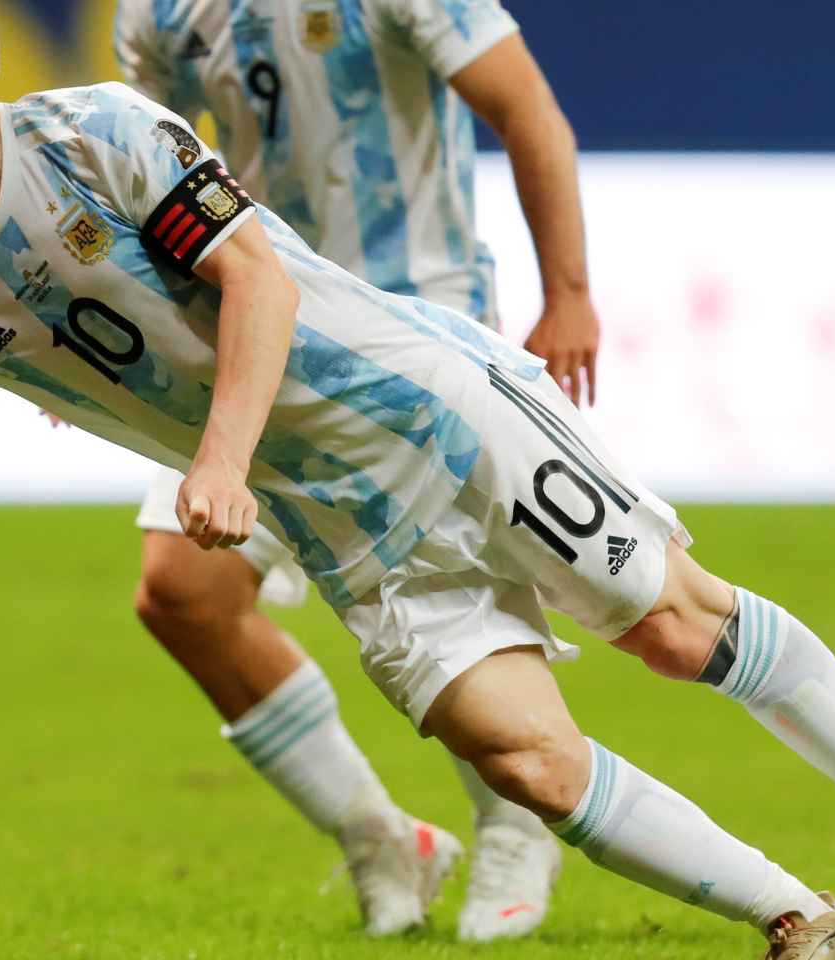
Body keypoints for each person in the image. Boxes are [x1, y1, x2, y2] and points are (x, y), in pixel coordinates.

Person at [0, 3, 835, 957]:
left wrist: (216, 457)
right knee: (524, 758)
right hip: (343, 527)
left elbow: (252, 276)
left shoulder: (94, 130)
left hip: (435, 409)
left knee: (670, 627)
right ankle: (801, 923)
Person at [109, 0, 595, 939]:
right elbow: (131, 168)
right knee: (183, 593)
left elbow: (527, 108)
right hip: (259, 322)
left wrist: (568, 292)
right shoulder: (157, 10)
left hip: (414, 316)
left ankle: (515, 817)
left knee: (440, 584)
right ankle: (381, 838)